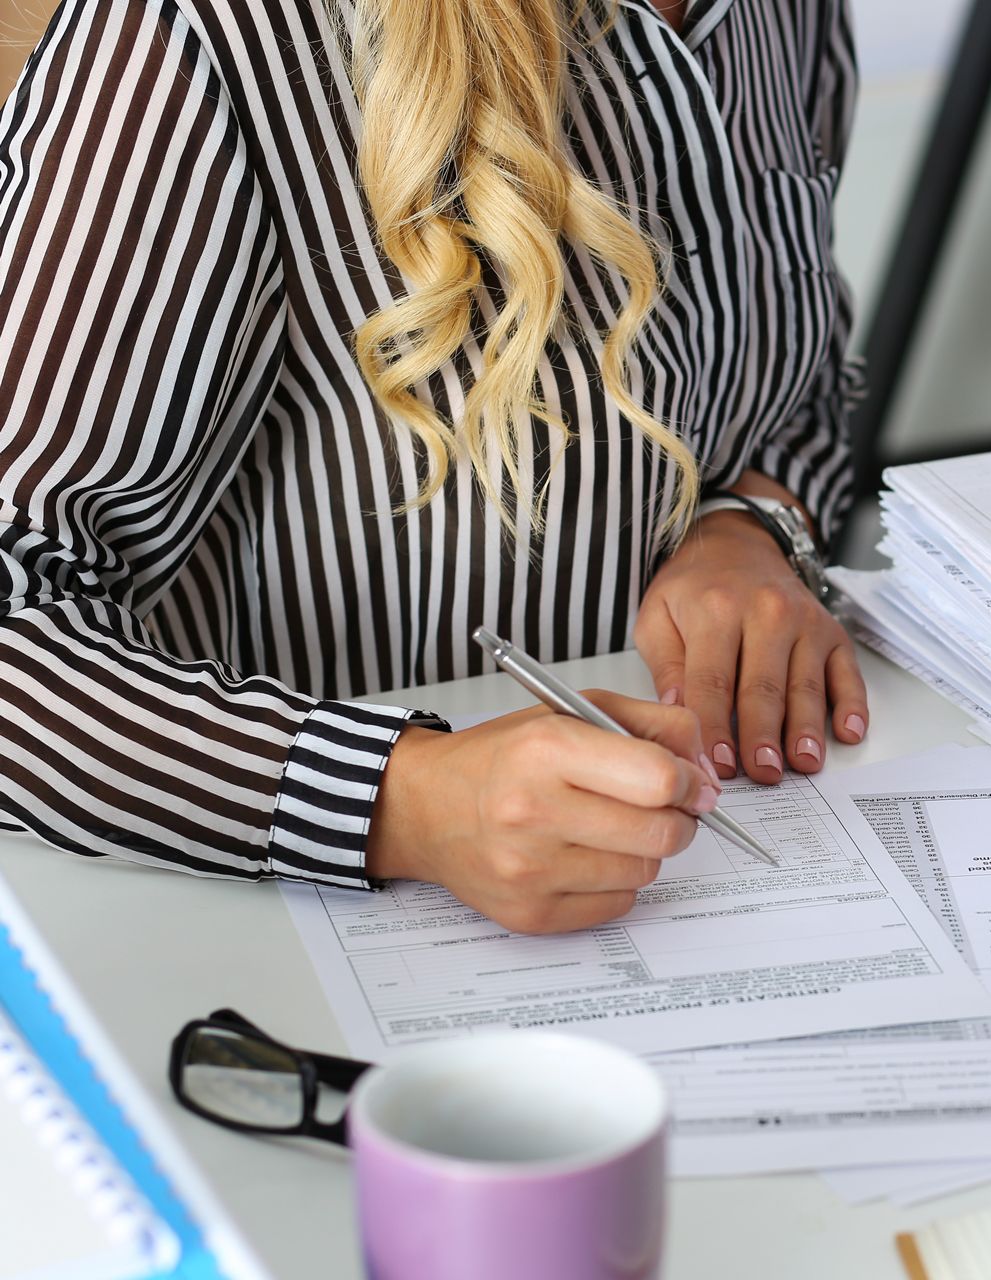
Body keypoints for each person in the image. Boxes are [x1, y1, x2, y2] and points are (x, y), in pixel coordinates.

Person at [0, 0, 868, 933]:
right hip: (296, 935)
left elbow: (806, 375)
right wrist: (405, 803)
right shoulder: (204, 38)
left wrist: (752, 523)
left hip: (694, 876)